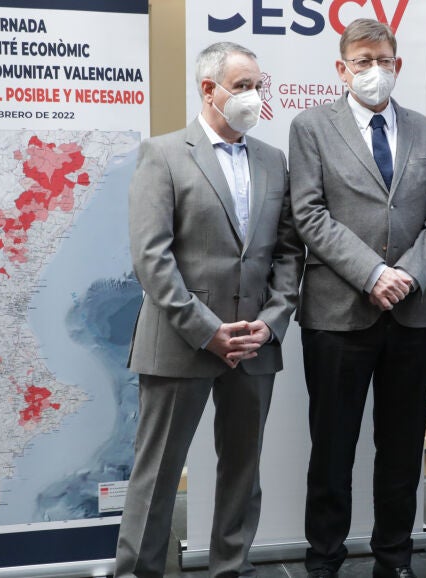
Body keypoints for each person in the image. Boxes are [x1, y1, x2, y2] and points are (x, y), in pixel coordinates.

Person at [115, 41, 304, 578]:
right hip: (181, 342)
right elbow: (152, 259)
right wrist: (208, 330)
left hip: (254, 346)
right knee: (156, 475)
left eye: (258, 86)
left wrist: (270, 324)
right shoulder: (163, 154)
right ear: (208, 89)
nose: (254, 96)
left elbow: (289, 253)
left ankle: (230, 569)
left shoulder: (273, 160)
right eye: (243, 86)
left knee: (243, 473)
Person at [288, 18, 426, 578]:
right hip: (338, 314)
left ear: (398, 65)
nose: (374, 70)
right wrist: (372, 273)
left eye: (384, 60)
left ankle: (394, 560)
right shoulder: (311, 127)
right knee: (332, 450)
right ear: (342, 69)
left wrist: (407, 273)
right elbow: (308, 213)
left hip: (412, 313)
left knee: (402, 449)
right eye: (362, 61)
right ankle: (324, 562)